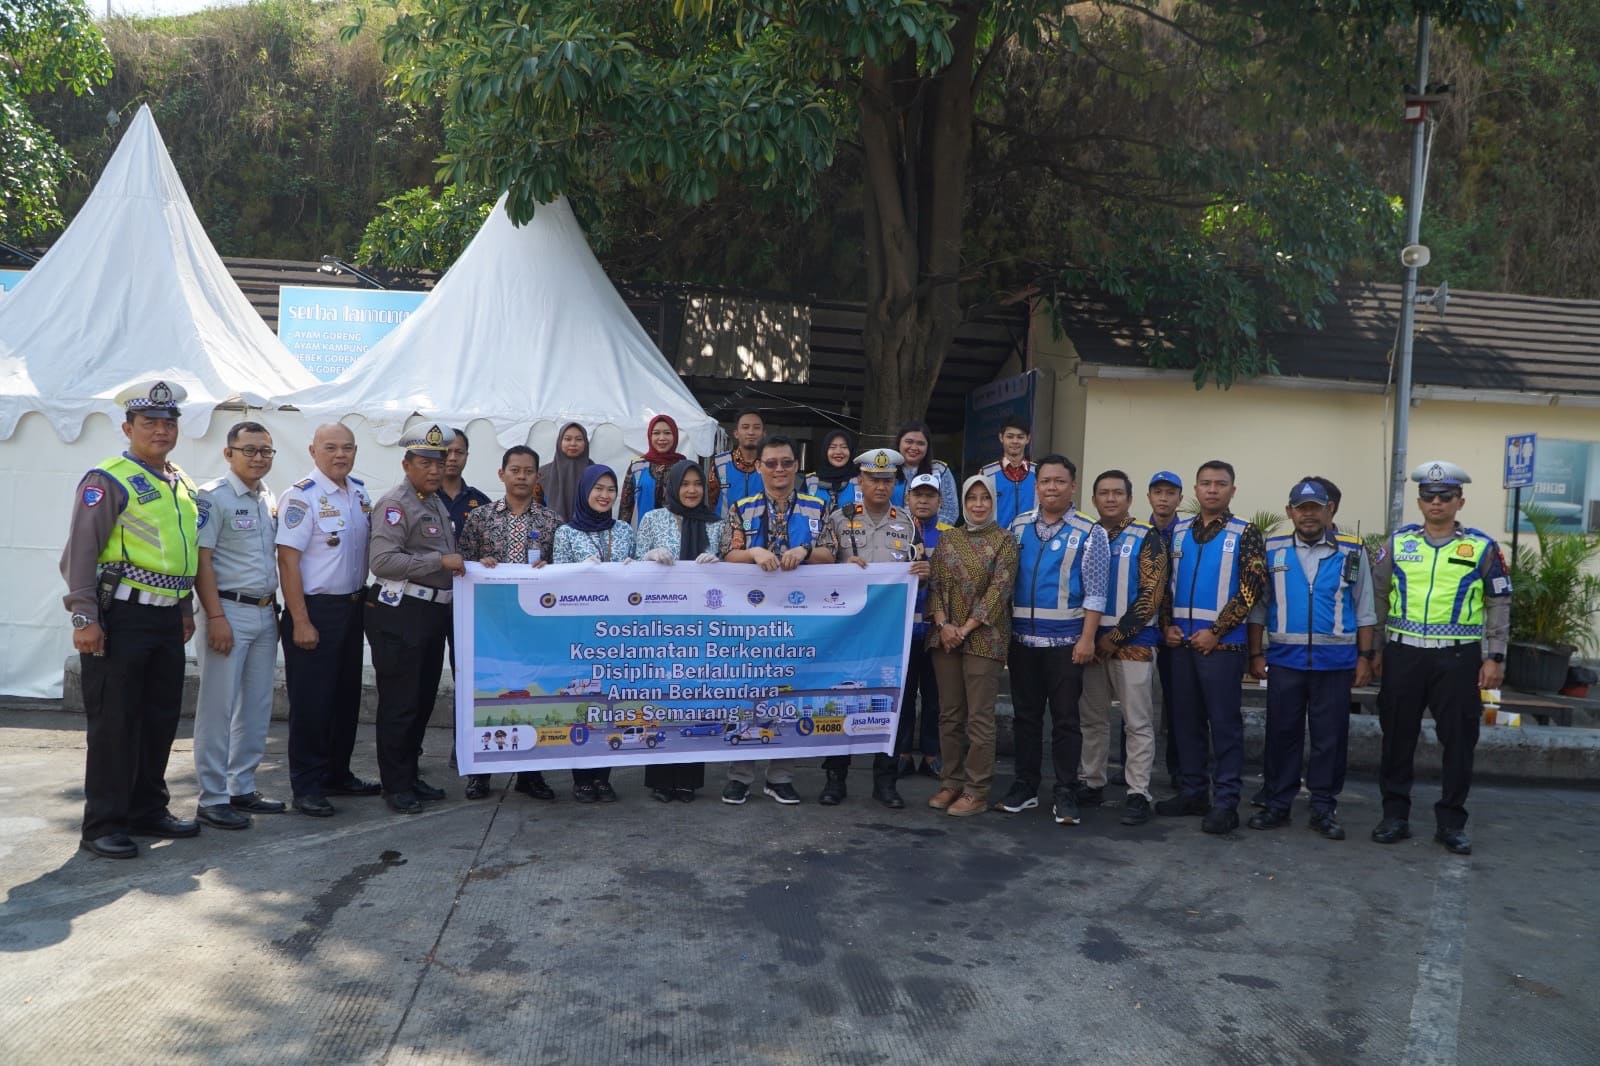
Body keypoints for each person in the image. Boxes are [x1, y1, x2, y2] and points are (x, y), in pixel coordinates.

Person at [60, 381, 201, 858]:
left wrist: (184, 608)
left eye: (169, 423)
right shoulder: (108, 479)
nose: (161, 431)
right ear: (128, 427)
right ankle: (103, 824)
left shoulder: (180, 481)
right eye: (150, 423)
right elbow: (80, 553)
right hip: (120, 615)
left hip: (165, 621)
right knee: (115, 723)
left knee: (160, 718)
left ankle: (146, 808)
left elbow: (181, 553)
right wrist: (85, 618)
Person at [1370, 461, 1510, 856]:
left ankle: (1451, 821)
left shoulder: (1482, 547)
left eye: (1445, 496)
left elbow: (1499, 602)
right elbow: (1378, 597)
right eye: (1429, 496)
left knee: (1460, 739)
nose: (1436, 502)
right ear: (1419, 501)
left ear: (1459, 501)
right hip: (1403, 655)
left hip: (1458, 658)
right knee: (1397, 735)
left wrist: (1495, 656)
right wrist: (1375, 650)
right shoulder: (1397, 544)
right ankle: (1394, 815)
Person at [1244, 479, 1376, 840]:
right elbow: (1258, 608)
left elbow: (1364, 609)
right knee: (1281, 734)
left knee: (1329, 738)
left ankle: (1323, 806)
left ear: (1329, 509)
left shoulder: (1352, 550)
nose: (1308, 515)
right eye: (1301, 508)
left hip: (1336, 664)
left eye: (1315, 507)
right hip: (1285, 660)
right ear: (1290, 512)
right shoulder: (1272, 550)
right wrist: (1256, 654)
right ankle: (1277, 803)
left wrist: (1365, 657)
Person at [720, 434, 837, 805]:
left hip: (800, 621)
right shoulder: (741, 506)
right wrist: (753, 551)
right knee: (747, 693)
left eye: (786, 462)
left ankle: (781, 776)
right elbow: (726, 553)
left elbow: (831, 552)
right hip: (750, 621)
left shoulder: (820, 505)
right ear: (759, 467)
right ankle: (740, 776)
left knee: (790, 694)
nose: (779, 469)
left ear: (796, 466)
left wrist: (804, 551)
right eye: (771, 463)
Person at [996, 455, 1108, 825]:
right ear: (1036, 486)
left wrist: (1087, 638)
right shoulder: (1018, 527)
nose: (1051, 488)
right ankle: (1025, 786)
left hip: (1066, 643)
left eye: (1059, 481)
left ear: (1072, 486)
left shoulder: (1091, 532)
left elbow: (1095, 593)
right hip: (1023, 642)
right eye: (1045, 481)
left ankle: (1065, 789)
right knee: (1025, 718)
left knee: (1065, 720)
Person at [1157, 460, 1266, 836]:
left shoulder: (1246, 533)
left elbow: (1250, 589)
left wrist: (1217, 631)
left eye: (1221, 484)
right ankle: (1192, 792)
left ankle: (1225, 802)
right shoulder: (1179, 531)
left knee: (1224, 726)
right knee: (1184, 722)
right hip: (1181, 645)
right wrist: (1166, 625)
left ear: (1233, 490)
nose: (1213, 490)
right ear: (1196, 489)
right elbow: (1165, 586)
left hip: (1222, 648)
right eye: (1205, 483)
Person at [277, 423, 378, 818]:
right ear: (312, 450)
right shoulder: (302, 497)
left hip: (351, 608)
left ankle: (337, 773)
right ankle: (306, 785)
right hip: (315, 610)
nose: (341, 455)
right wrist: (300, 620)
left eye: (348, 448)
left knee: (344, 698)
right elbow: (288, 561)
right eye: (331, 448)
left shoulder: (359, 493)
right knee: (312, 702)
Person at [191, 421, 284, 831]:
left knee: (257, 704)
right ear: (229, 454)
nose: (259, 457)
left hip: (266, 612)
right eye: (249, 450)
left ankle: (241, 786)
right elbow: (201, 560)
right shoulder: (214, 498)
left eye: (266, 451)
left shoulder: (269, 498)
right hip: (227, 611)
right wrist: (214, 617)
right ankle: (212, 797)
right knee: (218, 707)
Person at [366, 424, 464, 815]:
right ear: (407, 464)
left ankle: (409, 775)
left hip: (430, 612)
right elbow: (382, 561)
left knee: (421, 700)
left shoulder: (435, 502)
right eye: (425, 463)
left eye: (440, 463)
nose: (435, 470)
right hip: (401, 611)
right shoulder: (396, 504)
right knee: (400, 702)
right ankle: (396, 786)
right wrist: (438, 561)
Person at [820, 447, 924, 809]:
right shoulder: (839, 519)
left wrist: (922, 574)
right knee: (841, 699)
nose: (881, 486)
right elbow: (820, 567)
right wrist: (843, 563)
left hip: (893, 633)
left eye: (887, 480)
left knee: (897, 704)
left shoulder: (909, 523)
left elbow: (916, 569)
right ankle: (836, 778)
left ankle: (886, 780)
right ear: (860, 481)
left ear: (896, 483)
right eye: (874, 479)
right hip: (848, 631)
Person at [457, 445, 562, 802]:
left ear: (537, 477)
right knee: (485, 693)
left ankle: (530, 775)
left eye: (528, 471)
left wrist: (549, 572)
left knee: (530, 692)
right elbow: (463, 564)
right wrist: (477, 564)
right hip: (489, 624)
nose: (521, 476)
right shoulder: (481, 517)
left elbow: (563, 571)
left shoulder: (550, 521)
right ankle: (480, 773)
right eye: (514, 470)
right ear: (501, 474)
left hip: (532, 625)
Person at [1079, 470, 1169, 827]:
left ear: (1130, 499)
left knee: (1138, 722)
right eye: (1104, 493)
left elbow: (1151, 595)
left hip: (1133, 643)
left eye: (1118, 493)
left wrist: (1113, 638)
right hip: (1089, 642)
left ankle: (1137, 793)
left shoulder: (1148, 538)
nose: (1111, 499)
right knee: (1093, 718)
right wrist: (1091, 638)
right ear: (1094, 499)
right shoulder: (1087, 534)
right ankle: (1091, 781)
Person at [926, 477, 1020, 817]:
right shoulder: (949, 538)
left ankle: (976, 789)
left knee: (980, 717)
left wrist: (964, 628)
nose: (978, 504)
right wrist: (943, 625)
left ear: (993, 502)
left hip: (984, 636)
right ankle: (950, 782)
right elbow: (935, 585)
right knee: (949, 715)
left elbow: (999, 591)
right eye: (972, 498)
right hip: (945, 637)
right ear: (963, 502)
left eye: (985, 498)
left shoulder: (1005, 540)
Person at [634, 459, 725, 802]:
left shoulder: (715, 524)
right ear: (672, 486)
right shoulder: (652, 519)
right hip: (660, 625)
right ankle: (660, 778)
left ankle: (688, 779)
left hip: (701, 627)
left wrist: (720, 563)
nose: (691, 490)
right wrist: (648, 557)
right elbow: (633, 560)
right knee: (661, 699)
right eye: (684, 483)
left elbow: (728, 568)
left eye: (697, 484)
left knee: (695, 700)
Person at [552, 464, 637, 803]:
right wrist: (578, 572)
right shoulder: (567, 533)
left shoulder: (624, 531)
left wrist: (637, 568)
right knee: (584, 703)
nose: (604, 495)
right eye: (598, 488)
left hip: (618, 633)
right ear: (585, 491)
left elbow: (638, 576)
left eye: (610, 489)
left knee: (612, 703)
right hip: (582, 633)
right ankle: (582, 778)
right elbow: (557, 581)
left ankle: (603, 776)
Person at [901, 472, 950, 777]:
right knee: (904, 696)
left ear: (940, 501)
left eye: (929, 495)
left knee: (935, 697)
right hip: (903, 630)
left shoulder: (951, 535)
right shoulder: (896, 531)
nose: (923, 500)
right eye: (917, 495)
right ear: (907, 499)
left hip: (935, 631)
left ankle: (932, 754)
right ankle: (902, 753)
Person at [1147, 470, 1185, 790]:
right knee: (1137, 702)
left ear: (1180, 499)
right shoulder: (1137, 532)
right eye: (1158, 492)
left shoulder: (1187, 534)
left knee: (1177, 704)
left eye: (1170, 493)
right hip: (1141, 631)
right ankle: (1131, 767)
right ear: (1148, 497)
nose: (1163, 498)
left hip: (1175, 633)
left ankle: (1178, 768)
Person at [619, 414, 687, 528]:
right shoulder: (637, 466)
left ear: (675, 435)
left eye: (667, 433)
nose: (662, 438)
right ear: (650, 436)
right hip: (641, 538)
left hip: (676, 538)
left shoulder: (684, 467)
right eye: (656, 433)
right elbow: (626, 507)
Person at [893, 421, 959, 524]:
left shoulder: (940, 470)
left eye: (920, 443)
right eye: (909, 441)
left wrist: (930, 534)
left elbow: (950, 512)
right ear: (899, 442)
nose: (914, 447)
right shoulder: (888, 470)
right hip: (894, 534)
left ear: (928, 446)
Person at [979, 414, 1037, 530]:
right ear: (1001, 437)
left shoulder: (1039, 473)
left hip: (1031, 542)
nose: (1015, 441)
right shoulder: (986, 473)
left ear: (1028, 439)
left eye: (1020, 437)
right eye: (1010, 437)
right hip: (996, 542)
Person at [439, 428, 492, 538]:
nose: (453, 458)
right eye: (447, 452)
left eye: (459, 452)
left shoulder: (481, 502)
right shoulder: (423, 498)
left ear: (466, 456)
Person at [539, 421, 595, 522]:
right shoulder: (543, 473)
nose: (573, 443)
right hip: (551, 532)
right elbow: (534, 509)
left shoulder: (596, 473)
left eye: (578, 439)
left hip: (588, 532)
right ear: (559, 441)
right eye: (567, 439)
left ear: (585, 443)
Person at [710, 408, 765, 510]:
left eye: (756, 427)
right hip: (724, 525)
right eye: (745, 427)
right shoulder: (719, 463)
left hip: (760, 526)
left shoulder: (771, 465)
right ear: (736, 433)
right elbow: (711, 501)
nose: (751, 432)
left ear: (763, 433)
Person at [804, 428, 860, 511]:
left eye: (844, 447)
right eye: (832, 447)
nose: (838, 452)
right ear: (825, 450)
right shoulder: (809, 481)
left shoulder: (861, 480)